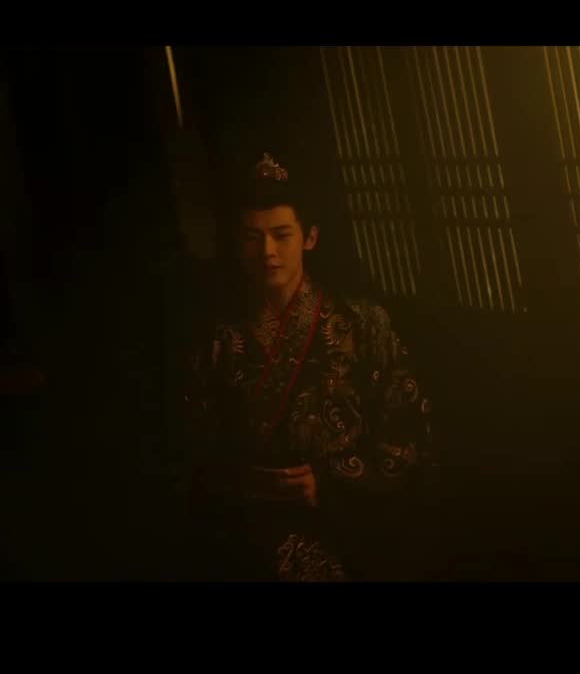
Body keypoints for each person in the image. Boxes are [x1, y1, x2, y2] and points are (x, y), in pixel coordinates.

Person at [179, 152, 436, 581]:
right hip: (248, 534)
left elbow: (408, 434)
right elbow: (193, 442)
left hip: (346, 526)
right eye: (252, 238)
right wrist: (237, 482)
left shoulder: (363, 324)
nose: (268, 252)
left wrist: (329, 481)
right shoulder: (217, 338)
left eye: (281, 235)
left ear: (309, 237)